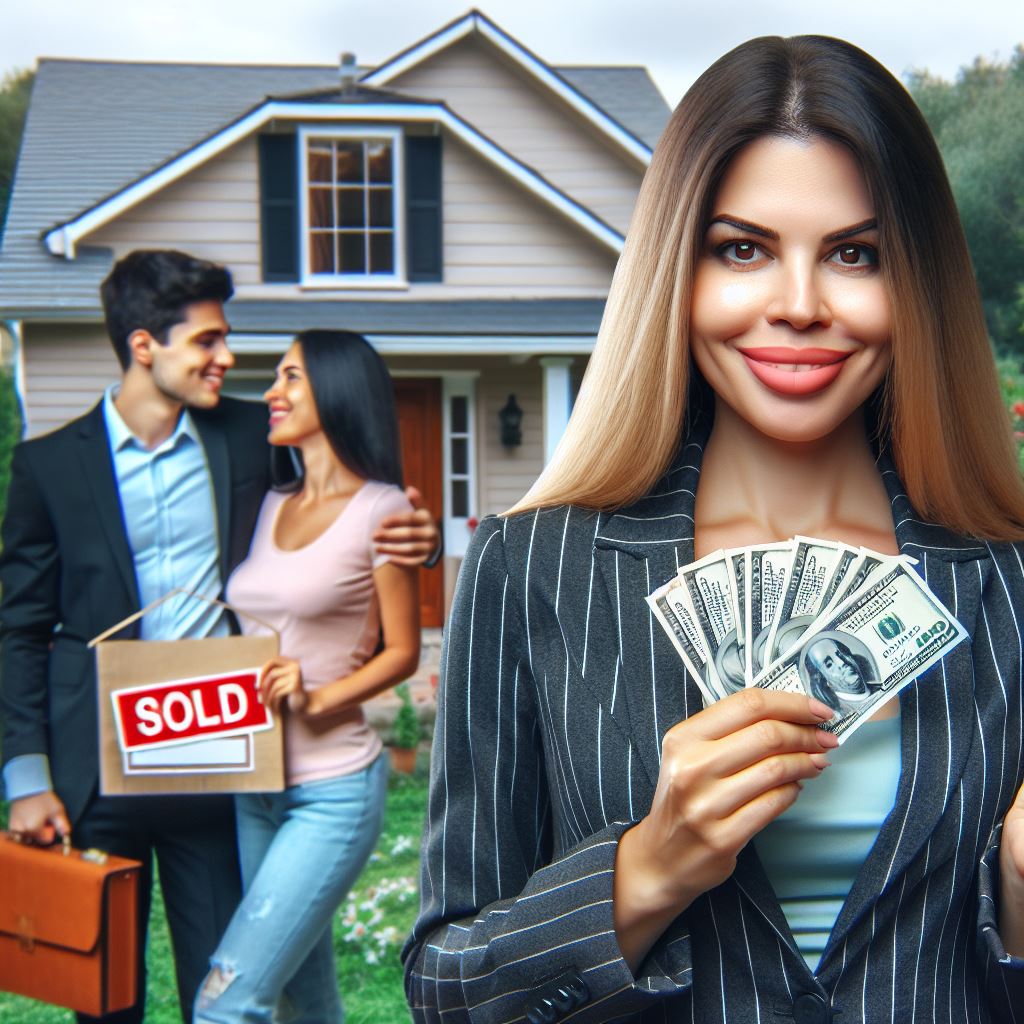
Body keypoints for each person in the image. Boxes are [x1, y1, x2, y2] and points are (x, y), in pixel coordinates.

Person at [403, 36, 1024, 1023]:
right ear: (673, 272)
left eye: (854, 254)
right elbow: (445, 983)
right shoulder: (532, 565)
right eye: (743, 249)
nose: (798, 305)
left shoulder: (1007, 573)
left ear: (919, 284)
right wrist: (646, 870)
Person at [0, 249, 439, 1024]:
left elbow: (354, 500)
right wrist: (26, 778)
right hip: (97, 764)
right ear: (145, 346)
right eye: (208, 340)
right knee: (103, 996)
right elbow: (20, 627)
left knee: (228, 980)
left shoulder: (249, 435)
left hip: (221, 757)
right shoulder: (47, 467)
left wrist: (421, 539)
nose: (229, 359)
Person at [193, 329, 421, 1023]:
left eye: (290, 376)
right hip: (254, 782)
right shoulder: (269, 502)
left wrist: (318, 697)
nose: (271, 391)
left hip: (332, 791)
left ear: (335, 388)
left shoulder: (384, 510)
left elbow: (402, 651)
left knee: (225, 1003)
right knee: (304, 1000)